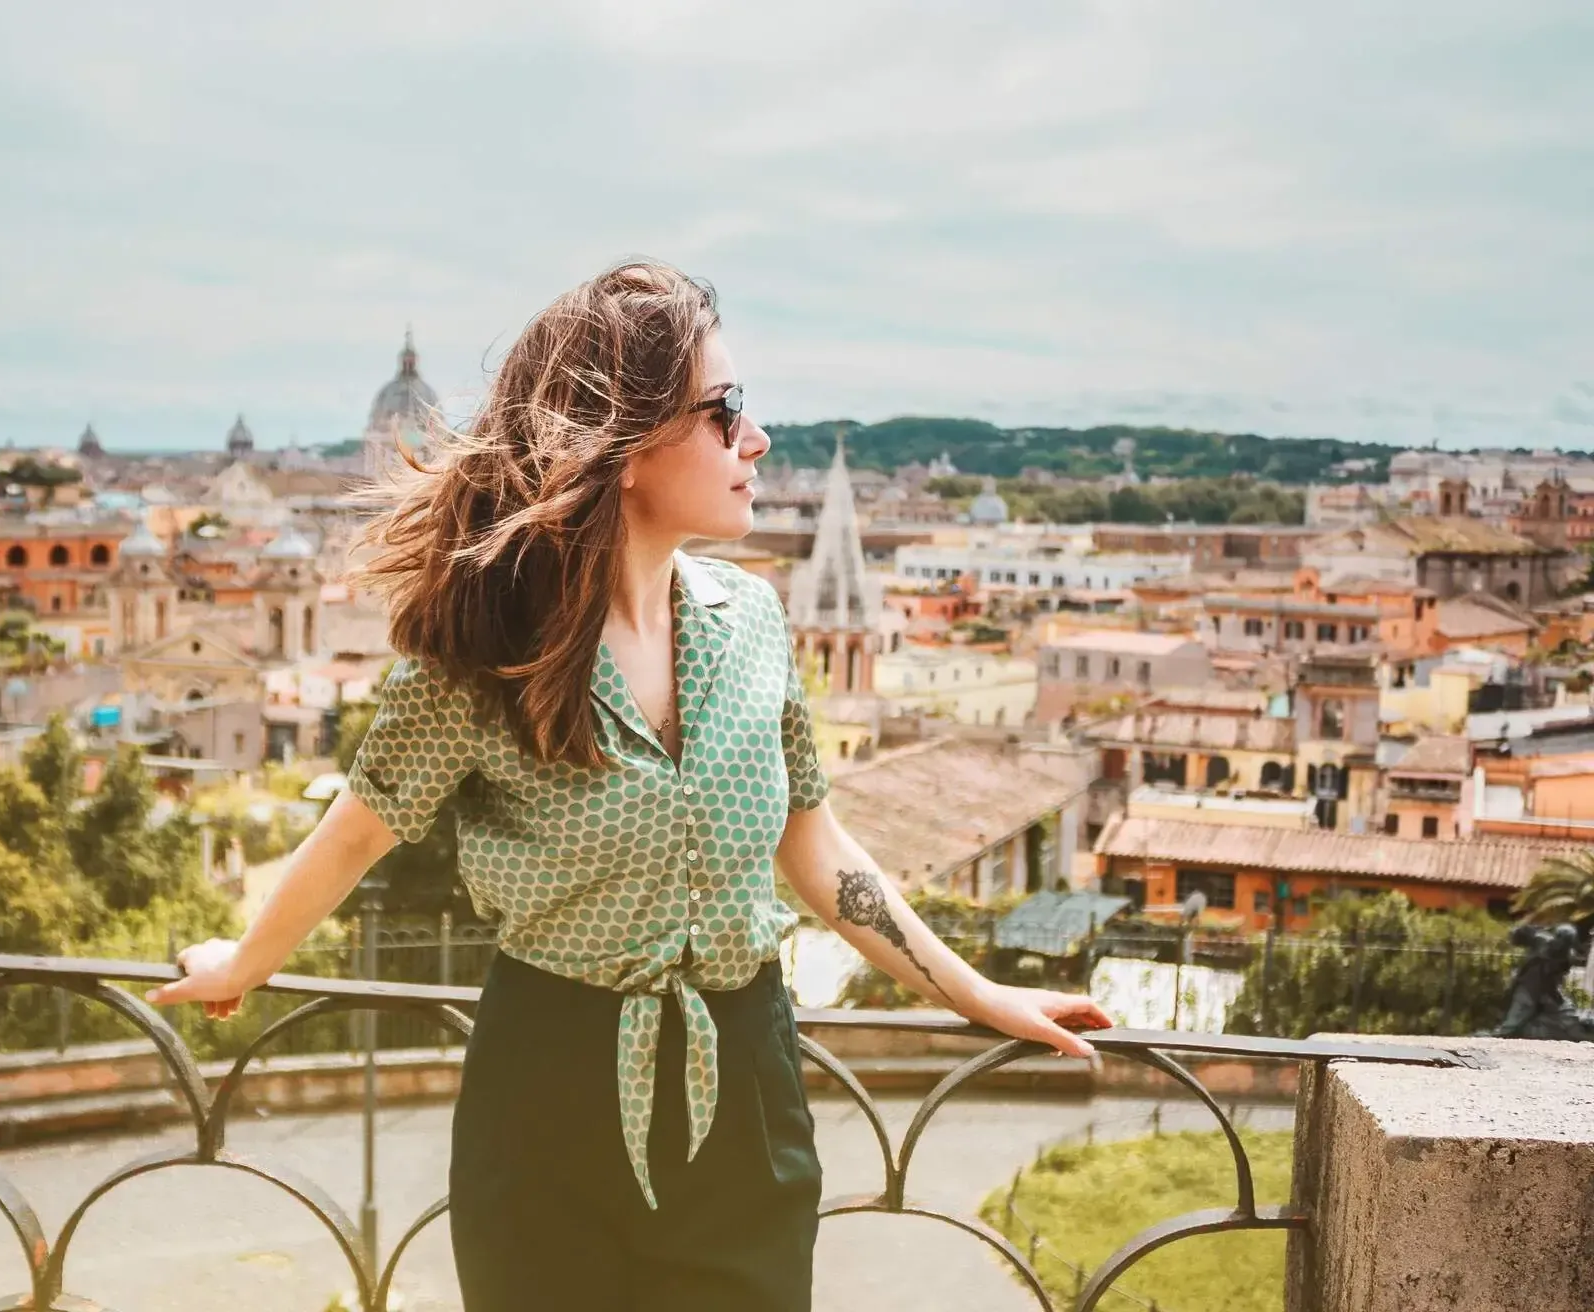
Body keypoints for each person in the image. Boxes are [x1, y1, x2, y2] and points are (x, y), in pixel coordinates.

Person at [148, 260, 1113, 1311]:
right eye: (724, 412)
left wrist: (980, 994)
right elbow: (358, 829)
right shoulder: (492, 644)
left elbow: (816, 846)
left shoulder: (753, 624)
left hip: (742, 1087)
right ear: (625, 445)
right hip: (546, 1094)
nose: (756, 438)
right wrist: (247, 960)